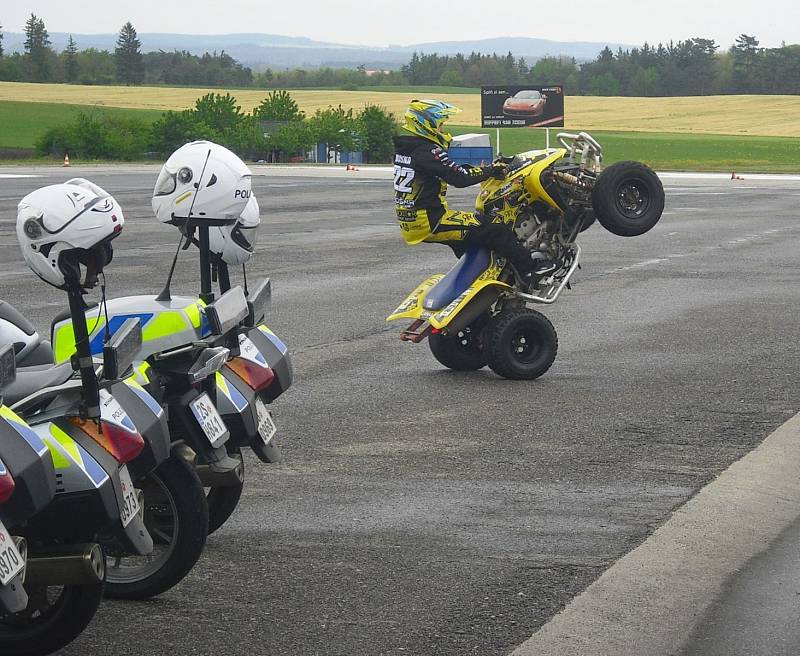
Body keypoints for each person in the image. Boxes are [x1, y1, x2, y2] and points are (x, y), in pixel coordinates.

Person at [392, 99, 556, 278]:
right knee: (496, 228)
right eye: (441, 125)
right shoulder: (427, 151)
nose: (443, 130)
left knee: (473, 239)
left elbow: (451, 170)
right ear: (426, 124)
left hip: (414, 220)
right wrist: (491, 170)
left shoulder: (407, 150)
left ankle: (485, 278)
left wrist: (486, 170)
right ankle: (531, 269)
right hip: (431, 220)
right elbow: (459, 178)